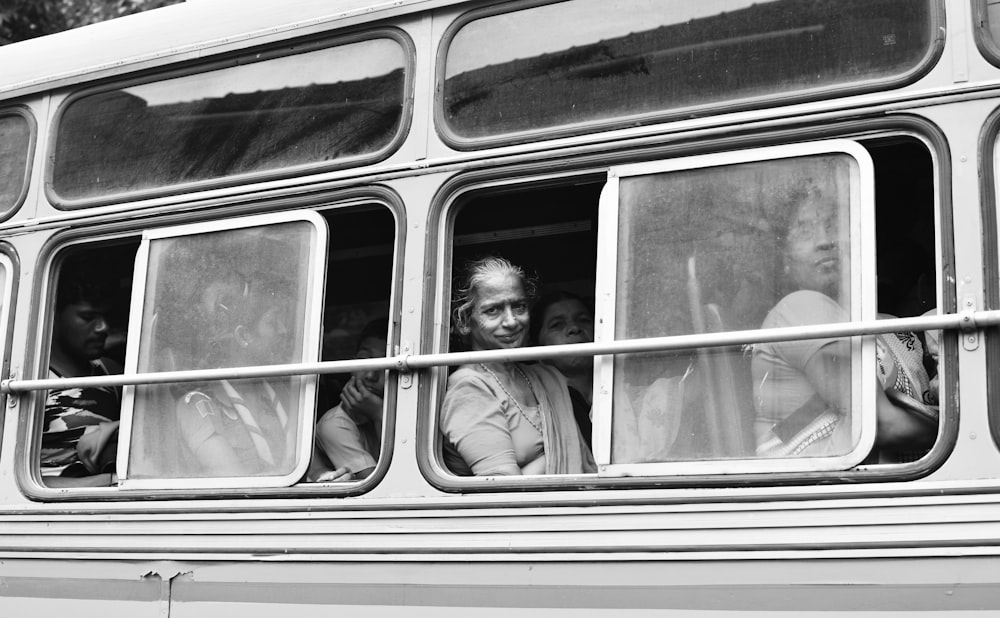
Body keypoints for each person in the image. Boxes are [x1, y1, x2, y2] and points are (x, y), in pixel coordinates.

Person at [752, 183, 937, 459]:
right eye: (804, 231)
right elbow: (880, 425)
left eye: (832, 225)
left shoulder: (883, 322)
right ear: (785, 260)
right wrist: (960, 428)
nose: (825, 240)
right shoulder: (801, 307)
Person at [439, 256, 594, 476]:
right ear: (464, 322)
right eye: (493, 310)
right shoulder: (469, 387)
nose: (511, 321)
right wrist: (549, 459)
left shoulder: (544, 376)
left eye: (519, 306)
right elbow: (504, 489)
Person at [175, 280, 296, 477]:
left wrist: (326, 475)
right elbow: (234, 481)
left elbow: (312, 465)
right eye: (273, 323)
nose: (283, 331)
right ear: (243, 336)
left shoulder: (281, 392)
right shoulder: (198, 405)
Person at [42, 259, 122, 487]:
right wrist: (105, 482)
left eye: (106, 317)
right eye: (88, 317)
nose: (103, 327)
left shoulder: (111, 373)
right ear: (53, 315)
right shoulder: (29, 376)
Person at [309, 318, 389, 482]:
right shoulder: (335, 424)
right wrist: (379, 414)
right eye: (364, 359)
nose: (371, 375)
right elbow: (380, 486)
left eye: (386, 363)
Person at [530, 290, 594, 450]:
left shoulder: (623, 389)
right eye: (557, 324)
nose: (574, 328)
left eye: (583, 320)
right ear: (538, 343)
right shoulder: (531, 398)